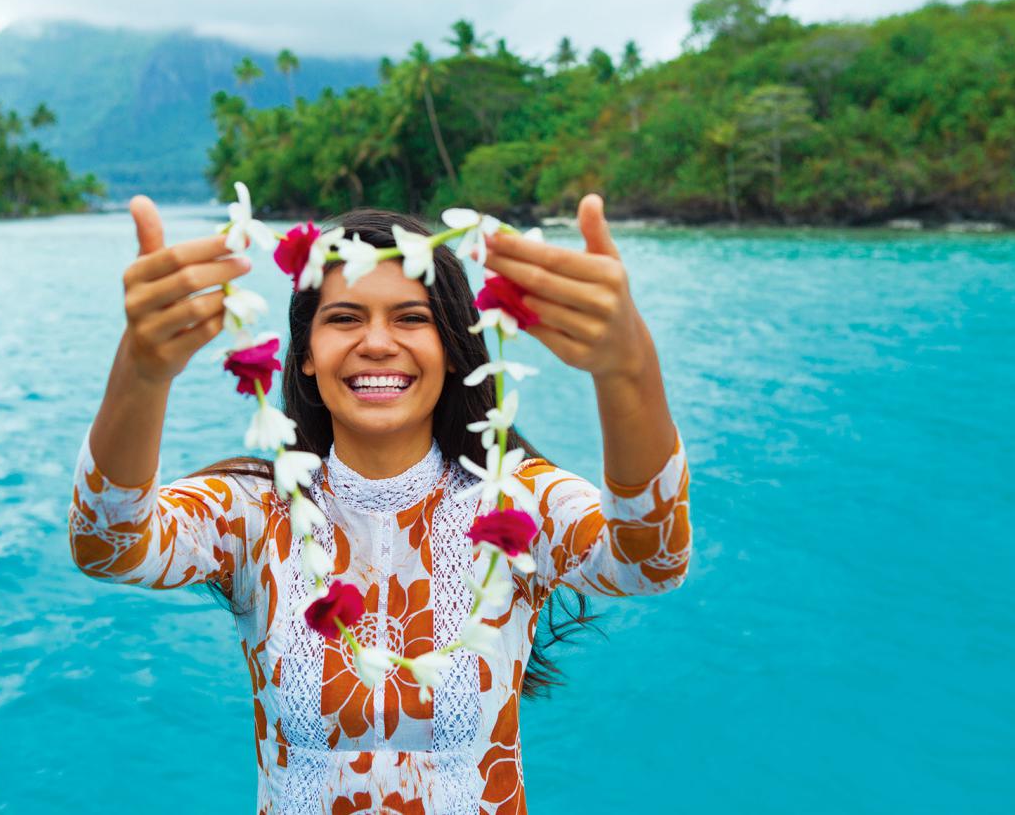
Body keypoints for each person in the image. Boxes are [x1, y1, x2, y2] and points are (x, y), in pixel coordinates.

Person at [67, 194, 693, 815]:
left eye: (410, 318)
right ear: (306, 355)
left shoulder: (518, 502)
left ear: (452, 347)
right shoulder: (255, 511)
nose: (376, 343)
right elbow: (108, 545)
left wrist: (626, 370)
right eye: (343, 318)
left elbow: (652, 562)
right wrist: (143, 371)